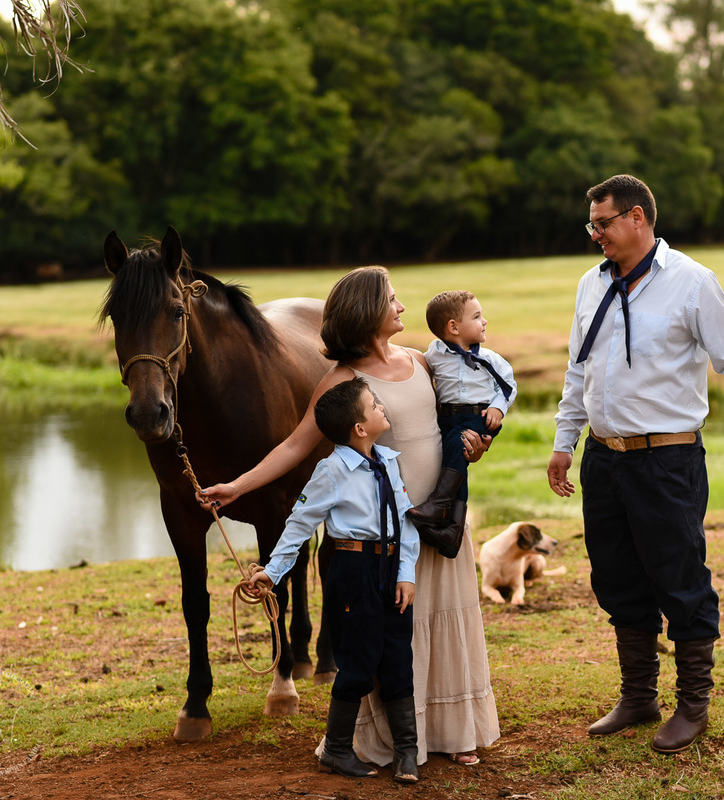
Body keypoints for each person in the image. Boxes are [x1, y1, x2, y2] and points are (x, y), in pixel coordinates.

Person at [546, 174, 724, 755]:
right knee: (616, 576)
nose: (595, 234)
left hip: (667, 460)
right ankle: (638, 696)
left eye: (603, 223)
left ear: (637, 218)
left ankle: (693, 705)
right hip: (603, 459)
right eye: (591, 224)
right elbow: (579, 370)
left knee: (680, 578)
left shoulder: (692, 283)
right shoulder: (590, 285)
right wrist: (565, 442)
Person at [199, 266, 500, 767]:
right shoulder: (342, 381)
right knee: (398, 637)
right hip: (390, 526)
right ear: (367, 310)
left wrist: (477, 441)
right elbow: (295, 445)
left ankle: (452, 731)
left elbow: (455, 420)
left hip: (441, 516)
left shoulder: (421, 360)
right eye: (392, 299)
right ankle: (398, 739)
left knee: (448, 621)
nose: (402, 307)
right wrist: (236, 486)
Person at [246, 377, 420, 782]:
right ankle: (337, 750)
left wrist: (406, 573)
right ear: (359, 427)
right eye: (374, 405)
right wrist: (272, 572)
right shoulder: (331, 470)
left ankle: (407, 752)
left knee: (398, 660)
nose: (382, 407)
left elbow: (406, 522)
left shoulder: (388, 460)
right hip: (353, 571)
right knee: (357, 662)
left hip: (392, 569)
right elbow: (298, 525)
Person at [406, 290, 517, 550]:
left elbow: (508, 386)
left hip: (479, 416)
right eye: (477, 316)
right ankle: (453, 529)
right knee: (454, 458)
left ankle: (439, 504)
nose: (484, 321)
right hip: (448, 418)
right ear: (454, 327)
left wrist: (498, 408)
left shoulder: (489, 359)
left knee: (458, 445)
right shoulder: (434, 354)